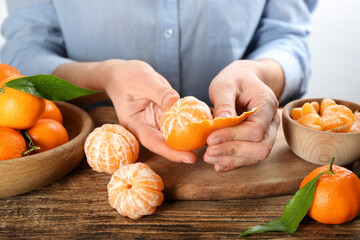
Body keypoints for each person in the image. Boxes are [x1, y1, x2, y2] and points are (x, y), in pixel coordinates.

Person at [1, 0, 317, 171]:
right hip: (78, 151)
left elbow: (286, 38)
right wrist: (106, 78)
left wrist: (261, 74)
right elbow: (22, 55)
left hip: (230, 156)